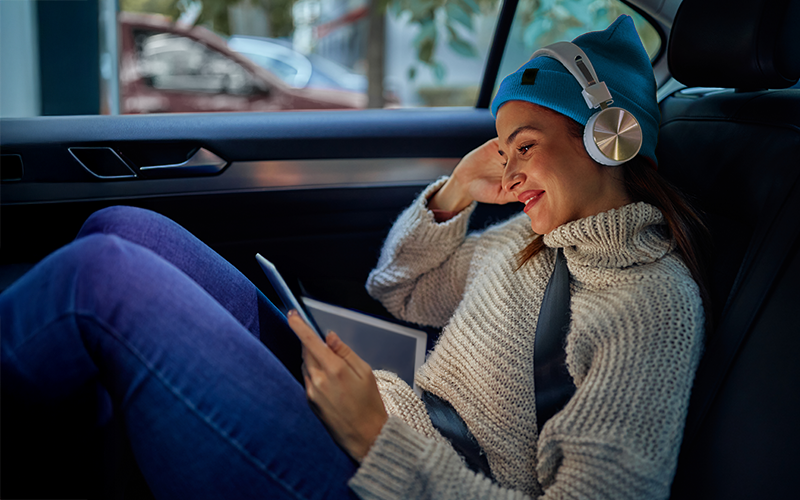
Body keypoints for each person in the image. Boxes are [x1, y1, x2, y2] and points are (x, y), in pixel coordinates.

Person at [0, 15, 707, 500]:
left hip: (384, 474)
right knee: (123, 225)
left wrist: (377, 438)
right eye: (502, 147)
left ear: (610, 137)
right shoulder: (527, 241)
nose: (509, 168)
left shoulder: (652, 305)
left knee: (102, 281)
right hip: (385, 422)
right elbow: (398, 291)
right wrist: (455, 195)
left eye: (525, 144)